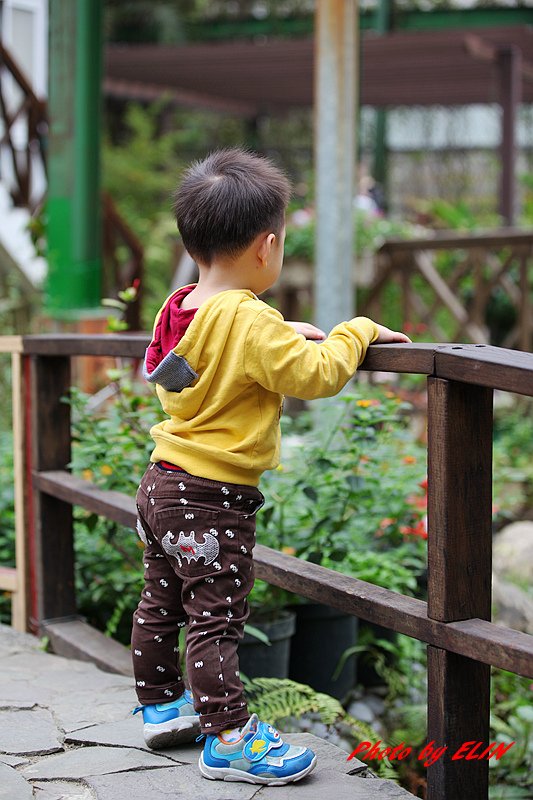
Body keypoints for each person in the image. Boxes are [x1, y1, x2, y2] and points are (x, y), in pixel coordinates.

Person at [131, 148, 411, 786]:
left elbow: (231, 352)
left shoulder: (178, 308)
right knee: (216, 617)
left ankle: (160, 706)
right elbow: (316, 375)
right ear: (268, 246)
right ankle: (229, 737)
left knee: (161, 600)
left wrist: (280, 332)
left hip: (163, 480)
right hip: (212, 495)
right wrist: (356, 330)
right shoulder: (251, 319)